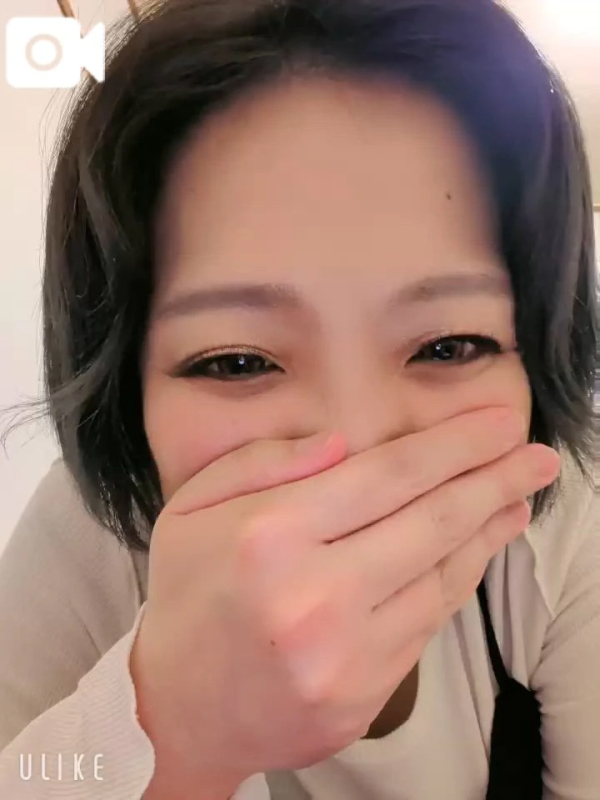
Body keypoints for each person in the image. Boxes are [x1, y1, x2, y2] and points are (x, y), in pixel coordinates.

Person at [0, 0, 598, 797]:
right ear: (126, 386)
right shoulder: (89, 536)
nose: (357, 447)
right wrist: (176, 732)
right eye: (238, 361)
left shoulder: (570, 520)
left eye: (448, 347)